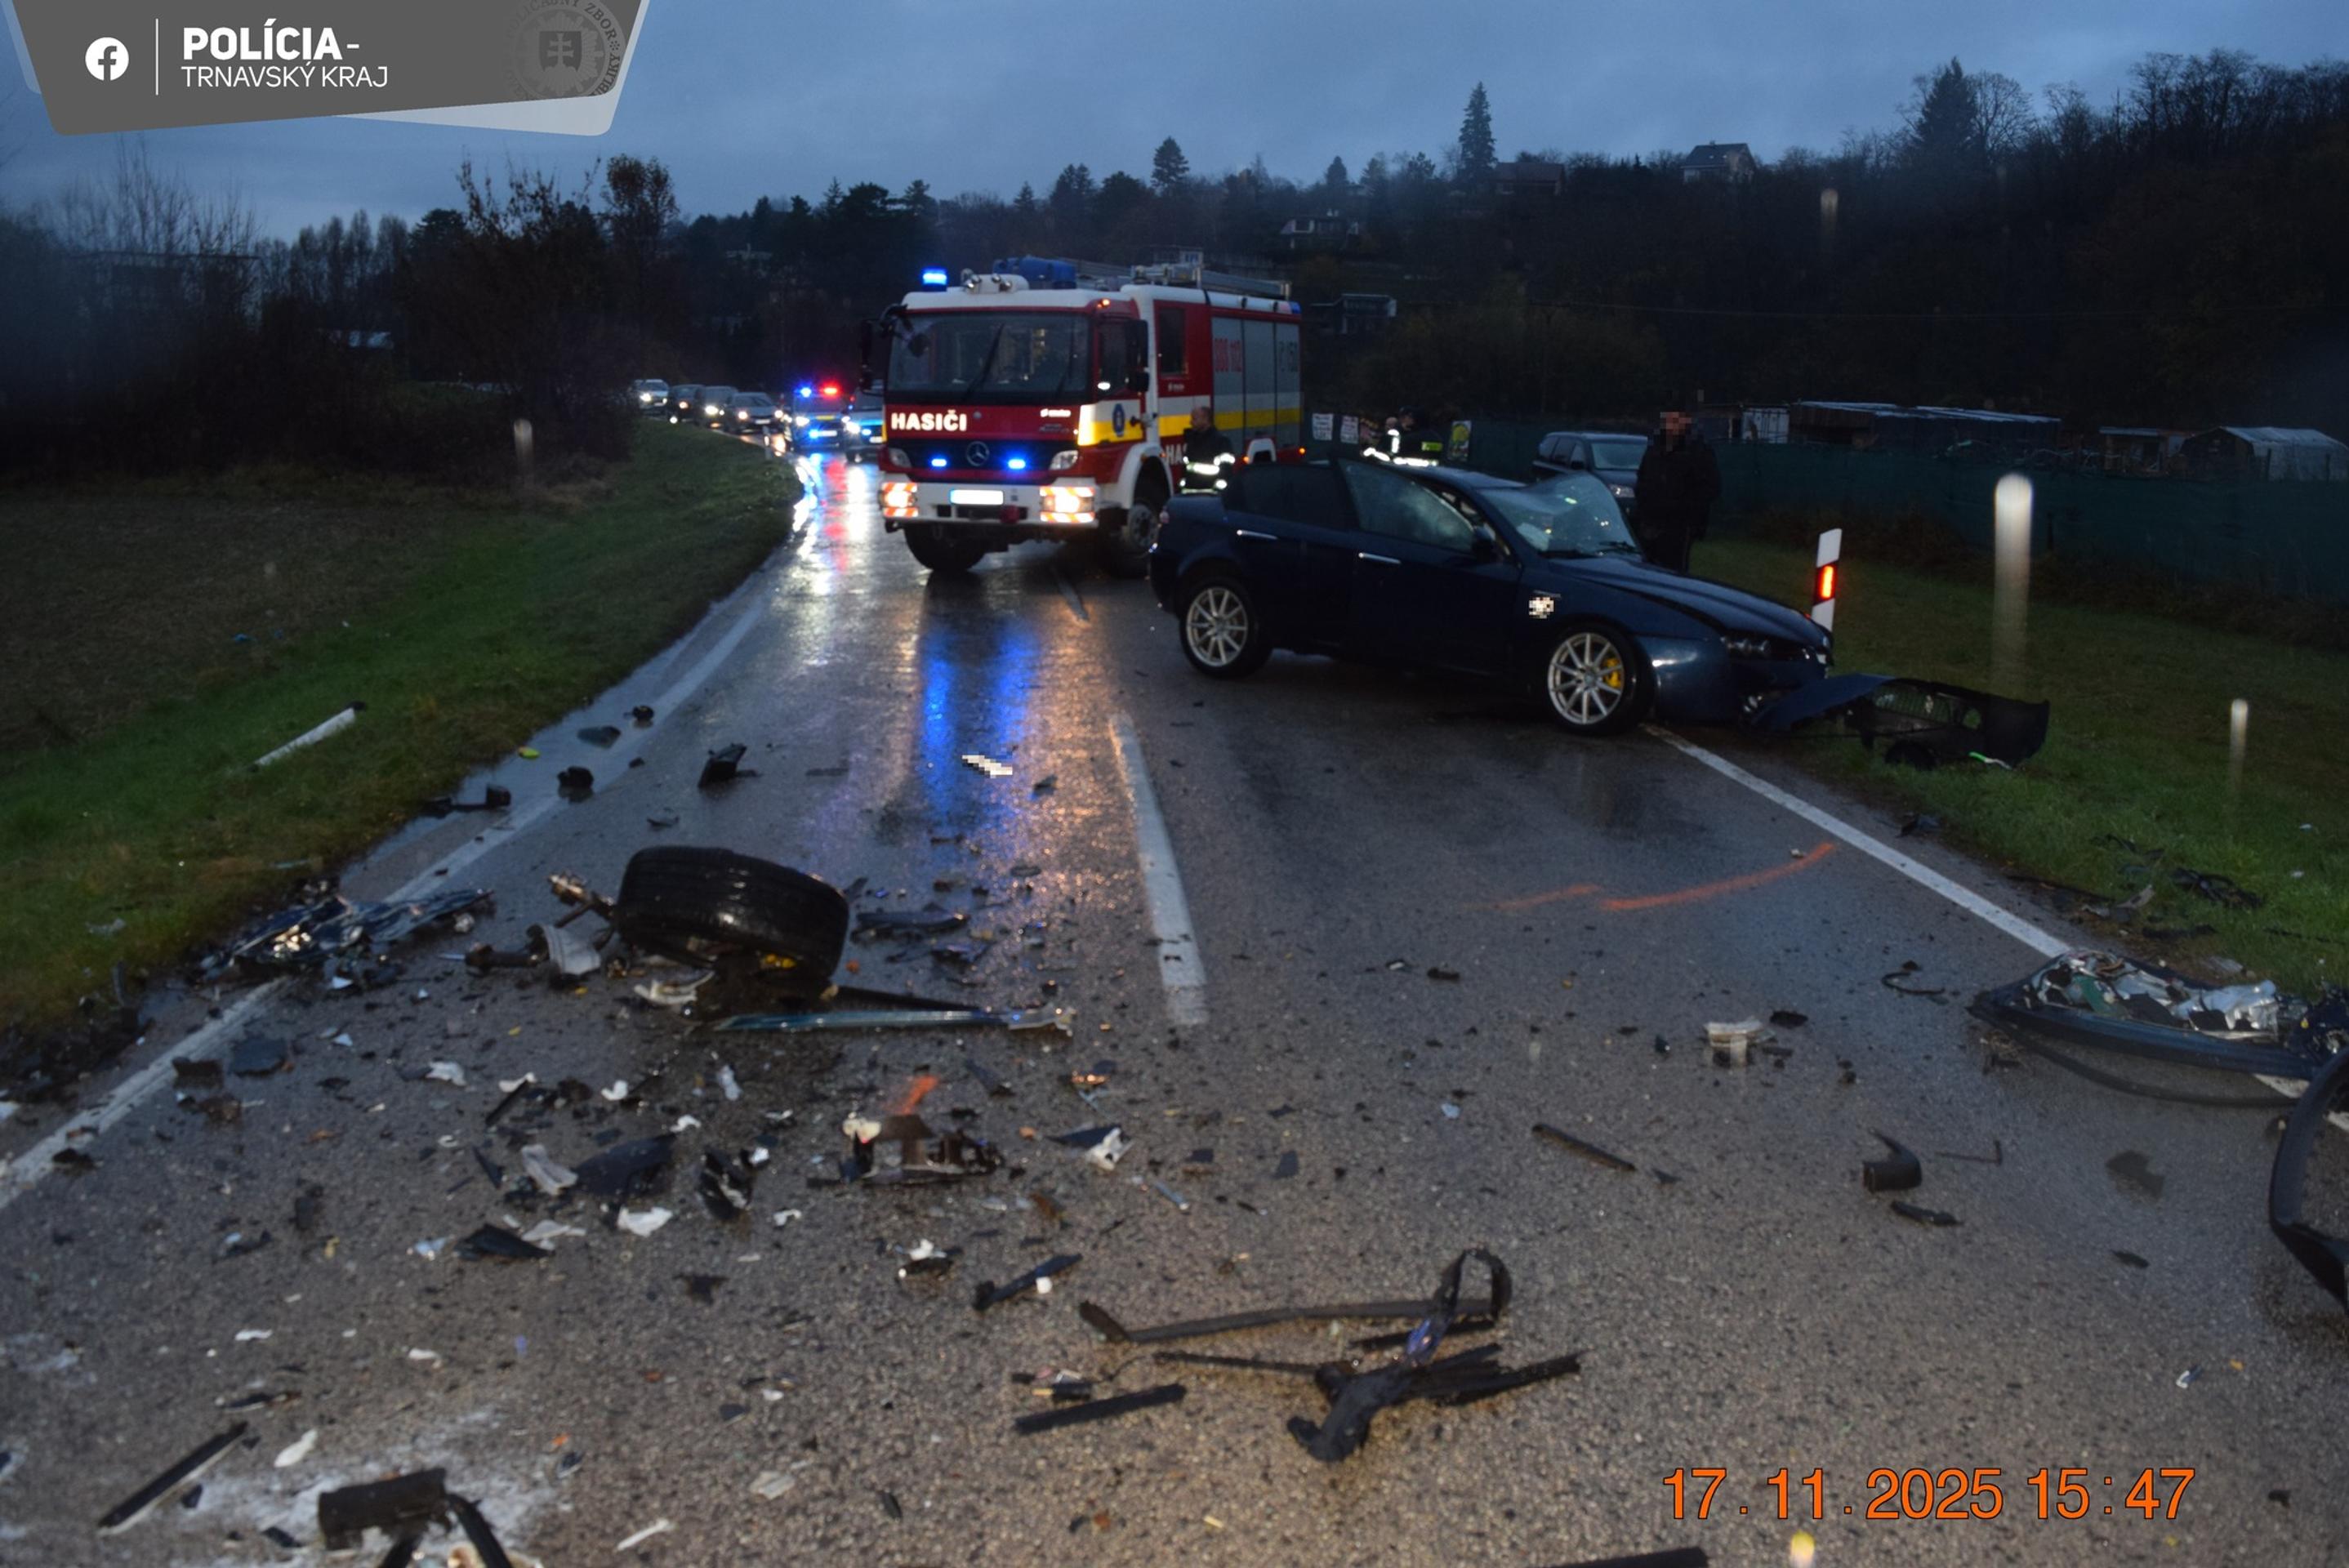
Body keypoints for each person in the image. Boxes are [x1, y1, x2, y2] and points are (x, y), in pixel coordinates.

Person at [1631, 411, 1720, 572]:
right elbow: (1643, 477)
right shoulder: (1655, 448)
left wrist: (1683, 509)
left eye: (1677, 419)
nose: (1672, 424)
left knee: (1674, 569)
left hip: (1679, 525)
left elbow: (1710, 488)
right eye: (1669, 419)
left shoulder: (1699, 451)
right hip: (1649, 520)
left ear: (1687, 421)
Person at [1179, 407, 1233, 491]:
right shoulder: (1193, 440)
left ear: (1206, 419)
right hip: (1191, 494)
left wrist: (1217, 492)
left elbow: (1226, 471)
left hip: (1211, 495)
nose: (1191, 422)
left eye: (1194, 419)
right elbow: (1186, 469)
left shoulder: (1221, 441)